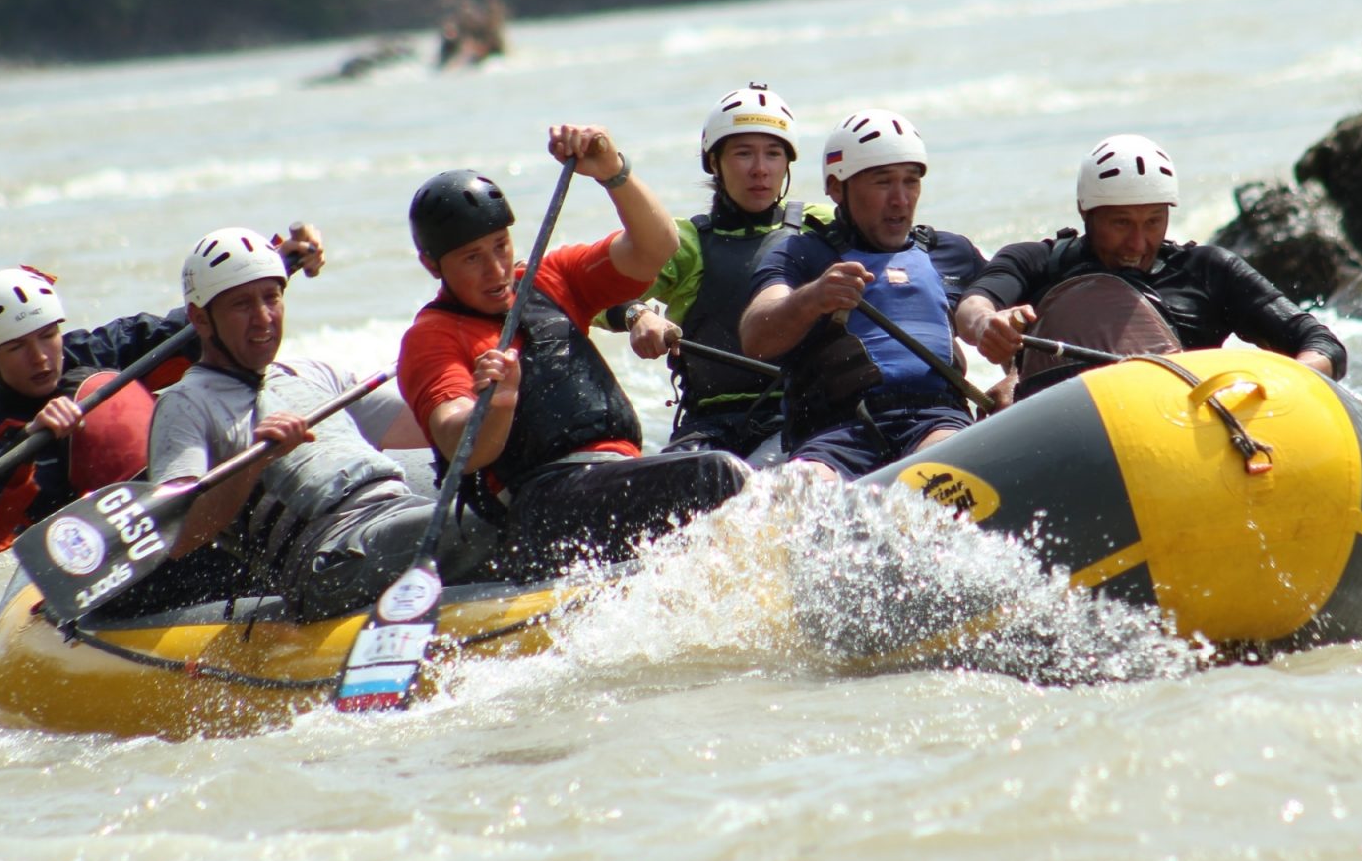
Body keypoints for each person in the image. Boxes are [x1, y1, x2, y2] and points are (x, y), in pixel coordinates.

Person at [396, 124, 750, 573]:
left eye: (500, 246)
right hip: (542, 508)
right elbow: (458, 441)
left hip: (608, 480)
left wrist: (612, 172)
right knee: (716, 474)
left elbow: (657, 248)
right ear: (432, 265)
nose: (495, 269)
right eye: (472, 258)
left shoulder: (547, 280)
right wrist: (500, 400)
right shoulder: (431, 337)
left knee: (722, 470)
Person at [145, 227, 498, 620]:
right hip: (330, 556)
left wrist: (494, 391)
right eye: (241, 305)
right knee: (496, 524)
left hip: (397, 514)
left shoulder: (313, 373)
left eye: (271, 298)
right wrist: (253, 462)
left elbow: (436, 425)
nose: (263, 318)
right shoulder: (185, 403)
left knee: (519, 503)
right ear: (201, 319)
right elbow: (175, 536)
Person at [0, 227, 324, 553]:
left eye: (47, 336)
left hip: (180, 512)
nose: (41, 358)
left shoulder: (94, 354)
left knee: (99, 385)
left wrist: (270, 263)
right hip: (103, 554)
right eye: (17, 348)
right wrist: (27, 442)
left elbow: (199, 327)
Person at [954, 135, 1347, 396]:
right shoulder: (1037, 262)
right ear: (1085, 212)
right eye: (1121, 223)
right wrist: (989, 326)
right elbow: (973, 306)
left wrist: (1285, 387)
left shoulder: (1207, 269)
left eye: (1154, 221)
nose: (1138, 244)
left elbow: (1322, 344)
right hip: (1063, 439)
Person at [739, 109, 986, 478]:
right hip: (835, 435)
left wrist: (1013, 377)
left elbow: (1011, 317)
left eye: (911, 181)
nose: (901, 200)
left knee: (942, 464)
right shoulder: (801, 253)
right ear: (838, 188)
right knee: (806, 483)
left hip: (936, 421)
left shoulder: (950, 252)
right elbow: (755, 334)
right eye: (883, 182)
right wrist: (812, 299)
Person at [607, 83, 833, 457]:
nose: (760, 170)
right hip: (708, 424)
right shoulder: (684, 243)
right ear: (714, 162)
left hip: (799, 417)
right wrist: (638, 314)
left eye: (773, 154)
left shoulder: (819, 227)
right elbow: (596, 294)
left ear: (787, 164)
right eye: (744, 154)